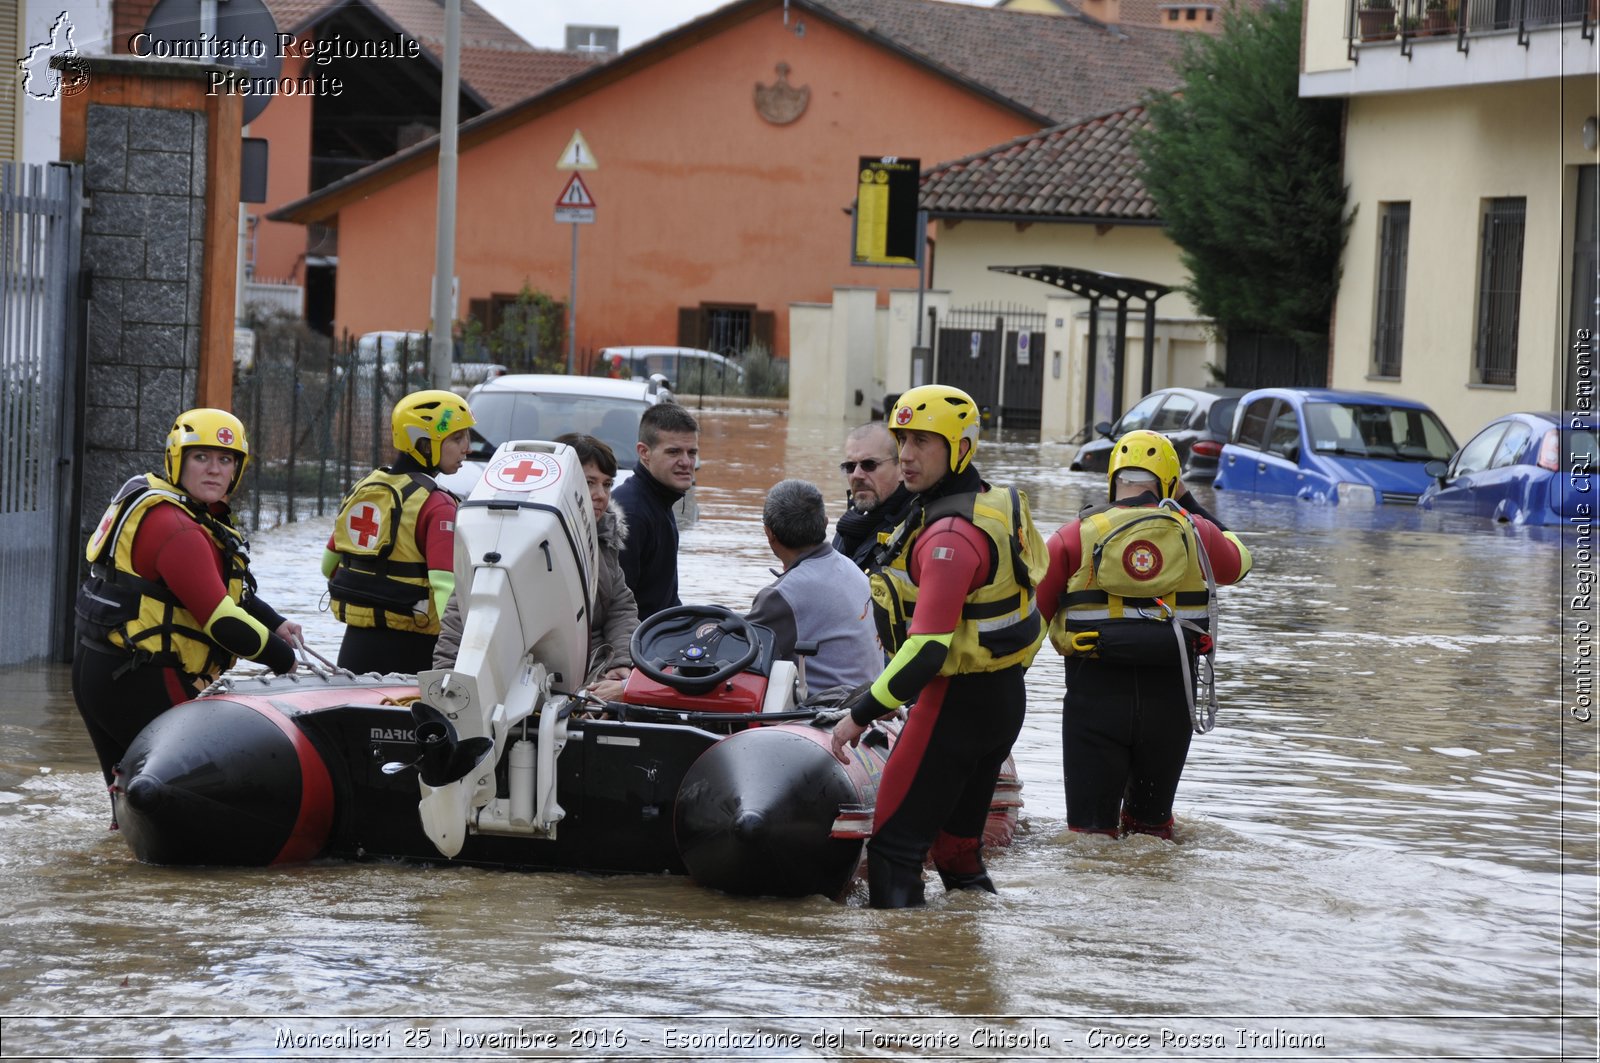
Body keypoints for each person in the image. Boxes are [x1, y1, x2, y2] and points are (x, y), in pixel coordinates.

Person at [828, 384, 1050, 908]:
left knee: (893, 851)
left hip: (953, 708)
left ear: (961, 448)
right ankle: (962, 966)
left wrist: (859, 715)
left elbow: (928, 649)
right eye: (902, 439)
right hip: (1001, 702)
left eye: (923, 441)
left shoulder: (950, 533)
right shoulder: (993, 503)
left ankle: (904, 984)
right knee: (955, 852)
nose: (906, 454)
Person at [1036, 429, 1253, 840]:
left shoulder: (1072, 536)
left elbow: (1029, 628)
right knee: (1152, 834)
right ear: (1171, 481)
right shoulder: (1198, 533)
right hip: (1170, 703)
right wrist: (1185, 502)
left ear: (1113, 479)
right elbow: (1239, 561)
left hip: (1094, 700)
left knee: (1088, 838)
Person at [73, 408, 301, 787]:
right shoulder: (178, 527)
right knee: (194, 788)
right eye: (201, 457)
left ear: (236, 469)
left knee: (129, 796)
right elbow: (225, 624)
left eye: (225, 459)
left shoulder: (179, 511)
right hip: (138, 678)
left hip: (97, 668)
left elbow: (224, 592)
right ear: (177, 460)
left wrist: (276, 623)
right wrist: (283, 659)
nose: (214, 469)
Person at [432, 433, 640, 702]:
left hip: (590, 676)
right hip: (515, 678)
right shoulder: (504, 536)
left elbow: (620, 606)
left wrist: (621, 664)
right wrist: (447, 679)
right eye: (589, 483)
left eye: (607, 484)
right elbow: (465, 613)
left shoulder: (602, 536)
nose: (601, 495)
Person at [323, 389, 475, 675]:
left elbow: (327, 565)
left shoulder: (363, 489)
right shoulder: (437, 504)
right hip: (414, 651)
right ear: (425, 443)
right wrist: (464, 652)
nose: (467, 447)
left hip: (354, 646)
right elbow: (445, 589)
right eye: (456, 438)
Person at [746, 479, 882, 694]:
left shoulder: (781, 596)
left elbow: (740, 654)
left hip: (826, 713)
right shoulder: (852, 568)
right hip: (869, 703)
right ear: (825, 522)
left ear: (769, 533)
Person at [612, 402, 699, 620]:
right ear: (644, 452)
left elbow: (664, 600)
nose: (686, 462)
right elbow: (617, 611)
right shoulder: (631, 515)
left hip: (659, 636)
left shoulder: (660, 498)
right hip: (640, 646)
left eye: (692, 452)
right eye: (674, 452)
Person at [832, 421, 914, 571]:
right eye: (850, 466)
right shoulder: (850, 524)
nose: (857, 475)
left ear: (902, 468)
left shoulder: (915, 527)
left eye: (869, 465)